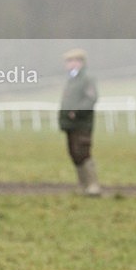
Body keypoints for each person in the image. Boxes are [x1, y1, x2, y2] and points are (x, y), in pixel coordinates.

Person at [58, 48, 101, 196]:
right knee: (75, 154)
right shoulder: (72, 79)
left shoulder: (86, 78)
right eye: (67, 61)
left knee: (83, 152)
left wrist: (75, 112)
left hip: (82, 124)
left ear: (80, 62)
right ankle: (84, 186)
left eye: (71, 61)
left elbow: (91, 99)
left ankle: (93, 185)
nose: (68, 64)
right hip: (71, 125)